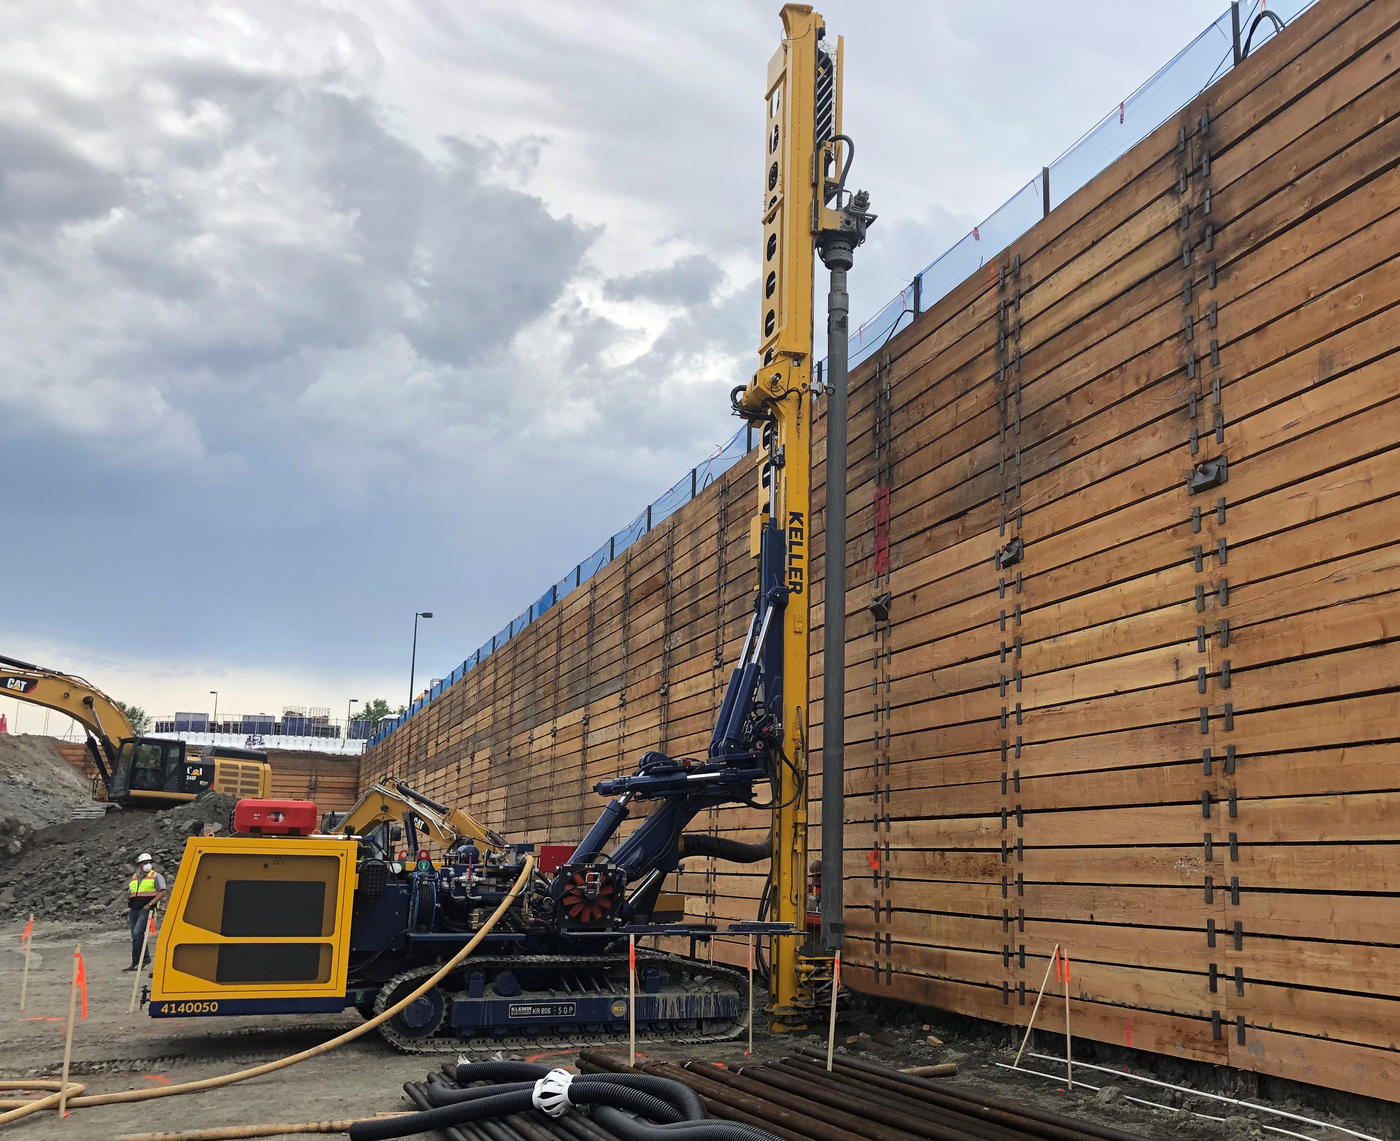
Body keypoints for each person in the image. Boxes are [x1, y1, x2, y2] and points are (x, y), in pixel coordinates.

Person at [123, 853, 166, 972]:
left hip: (146, 910)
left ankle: (140, 961)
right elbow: (132, 892)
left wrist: (150, 904)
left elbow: (162, 892)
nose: (147, 865)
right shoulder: (135, 877)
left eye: (149, 862)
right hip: (134, 910)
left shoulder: (156, 876)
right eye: (145, 863)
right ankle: (139, 960)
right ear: (140, 865)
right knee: (135, 936)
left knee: (138, 934)